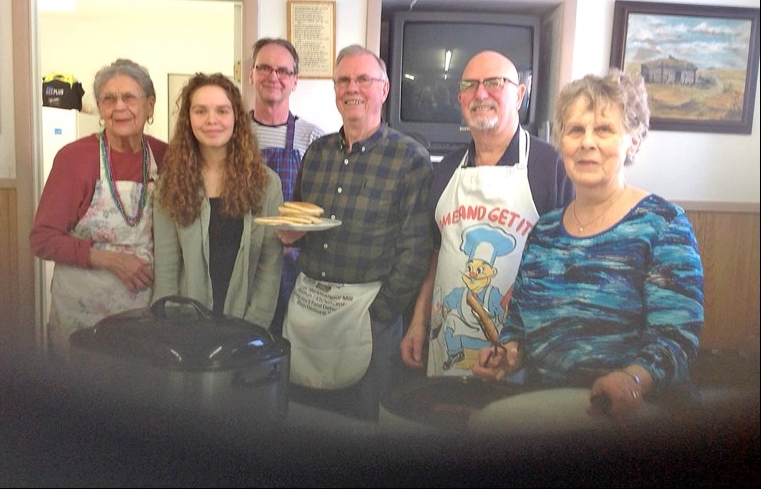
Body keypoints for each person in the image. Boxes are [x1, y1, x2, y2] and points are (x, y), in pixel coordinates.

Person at [472, 69, 704, 419]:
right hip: (546, 406)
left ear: (634, 140)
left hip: (637, 416)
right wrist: (508, 354)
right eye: (576, 129)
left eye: (604, 129)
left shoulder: (662, 224)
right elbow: (518, 326)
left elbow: (676, 336)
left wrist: (633, 379)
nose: (587, 142)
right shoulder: (546, 231)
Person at [277, 44, 433, 421]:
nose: (352, 88)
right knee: (302, 418)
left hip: (369, 313)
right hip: (310, 309)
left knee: (365, 427)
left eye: (364, 79)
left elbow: (416, 249)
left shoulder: (410, 158)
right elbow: (303, 223)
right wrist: (289, 234)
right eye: (343, 80)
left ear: (384, 88)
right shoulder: (316, 152)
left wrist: (379, 312)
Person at [400, 50, 574, 378]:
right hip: (446, 345)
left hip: (521, 356)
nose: (481, 94)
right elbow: (436, 254)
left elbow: (567, 267)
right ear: (461, 98)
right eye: (470, 85)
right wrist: (417, 323)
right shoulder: (445, 170)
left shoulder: (551, 167)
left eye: (494, 83)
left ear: (520, 94)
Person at [30, 58, 167, 358]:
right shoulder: (74, 158)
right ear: (101, 110)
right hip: (83, 309)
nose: (119, 107)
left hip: (144, 310)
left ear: (150, 105)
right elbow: (42, 239)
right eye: (109, 99)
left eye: (129, 97)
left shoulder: (164, 156)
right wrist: (110, 260)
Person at [152, 73, 283, 328]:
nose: (212, 120)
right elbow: (167, 269)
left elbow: (269, 264)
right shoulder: (169, 184)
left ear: (236, 117)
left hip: (246, 327)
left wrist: (253, 328)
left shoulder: (266, 184)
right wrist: (168, 328)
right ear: (188, 119)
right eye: (200, 111)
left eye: (222, 111)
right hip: (186, 327)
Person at [249, 38, 324, 336]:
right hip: (245, 261)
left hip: (293, 267)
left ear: (295, 81)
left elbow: (321, 207)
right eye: (264, 68)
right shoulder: (233, 134)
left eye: (283, 70)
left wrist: (299, 234)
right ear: (251, 74)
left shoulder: (313, 138)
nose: (273, 76)